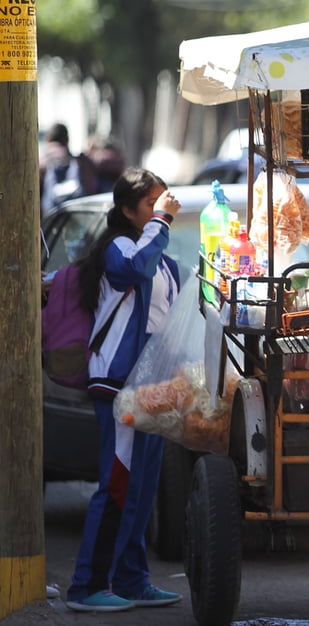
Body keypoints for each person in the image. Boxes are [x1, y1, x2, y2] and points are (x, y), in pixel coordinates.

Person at [66, 168, 183, 612]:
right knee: (116, 484)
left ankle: (132, 580)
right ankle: (85, 587)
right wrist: (164, 222)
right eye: (151, 205)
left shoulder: (160, 253)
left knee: (141, 487)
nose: (161, 211)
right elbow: (134, 268)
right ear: (127, 211)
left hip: (151, 388)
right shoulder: (121, 247)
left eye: (162, 203)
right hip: (117, 383)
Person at [40, 122, 98, 214]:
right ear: (67, 140)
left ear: (48, 139)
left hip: (50, 219)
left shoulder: (41, 163)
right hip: (78, 215)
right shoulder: (80, 162)